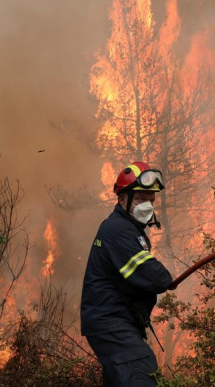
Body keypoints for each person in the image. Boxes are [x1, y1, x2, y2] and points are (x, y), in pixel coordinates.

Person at [81, 161, 173, 387]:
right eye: (141, 199)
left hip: (115, 322)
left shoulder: (127, 228)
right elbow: (155, 277)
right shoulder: (119, 230)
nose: (148, 206)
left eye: (151, 200)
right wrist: (164, 277)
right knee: (141, 371)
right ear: (123, 199)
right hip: (111, 322)